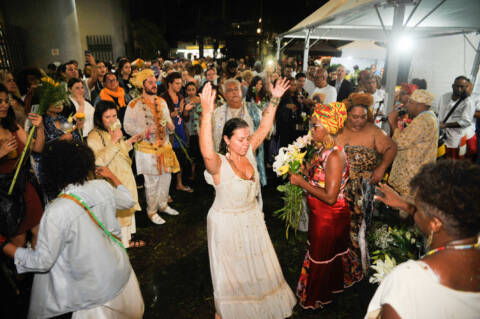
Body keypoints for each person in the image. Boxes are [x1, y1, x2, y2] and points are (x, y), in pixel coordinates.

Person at [0, 140, 144, 319]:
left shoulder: (56, 211)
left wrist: (4, 244)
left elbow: (41, 262)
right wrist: (111, 175)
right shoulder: (102, 186)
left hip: (93, 296)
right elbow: (128, 200)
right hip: (121, 274)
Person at [200, 80, 296, 319]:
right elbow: (205, 152)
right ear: (226, 140)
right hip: (226, 224)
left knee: (256, 266)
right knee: (233, 271)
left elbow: (263, 127)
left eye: (246, 138)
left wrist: (274, 99)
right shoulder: (219, 165)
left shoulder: (249, 151)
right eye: (240, 140)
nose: (246, 143)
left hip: (252, 217)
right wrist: (207, 114)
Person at [366, 160, 480, 319]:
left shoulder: (408, 281)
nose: (416, 213)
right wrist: (406, 206)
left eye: (418, 209)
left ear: (435, 223)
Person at [289, 102, 351, 309]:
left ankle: (317, 297)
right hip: (320, 212)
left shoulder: (334, 156)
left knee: (321, 254)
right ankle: (330, 287)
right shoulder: (322, 150)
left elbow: (331, 197)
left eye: (315, 126)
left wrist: (302, 183)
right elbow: (321, 179)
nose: (311, 130)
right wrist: (306, 172)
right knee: (321, 252)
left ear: (329, 128)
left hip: (329, 215)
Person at [336, 93, 397, 278]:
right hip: (339, 187)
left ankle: (358, 267)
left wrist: (381, 168)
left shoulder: (373, 131)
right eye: (355, 117)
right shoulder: (337, 130)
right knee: (339, 226)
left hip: (363, 188)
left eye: (363, 117)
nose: (359, 121)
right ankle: (338, 262)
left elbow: (391, 147)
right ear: (346, 115)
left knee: (360, 228)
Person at [124, 69, 181, 225]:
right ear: (142, 85)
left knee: (167, 178)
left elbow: (169, 120)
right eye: (149, 82)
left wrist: (171, 126)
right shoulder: (133, 104)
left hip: (165, 147)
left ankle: (163, 205)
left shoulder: (162, 102)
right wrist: (145, 132)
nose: (153, 84)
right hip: (146, 150)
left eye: (154, 81)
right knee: (152, 182)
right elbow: (127, 126)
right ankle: (152, 211)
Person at [87, 101, 144, 248]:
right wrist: (113, 141)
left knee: (126, 209)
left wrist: (129, 141)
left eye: (114, 116)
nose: (112, 120)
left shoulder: (113, 131)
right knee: (118, 214)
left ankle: (127, 240)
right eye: (107, 117)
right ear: (99, 118)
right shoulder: (94, 136)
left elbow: (120, 153)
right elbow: (98, 163)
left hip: (124, 177)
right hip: (110, 181)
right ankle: (120, 244)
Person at [0, 83, 44, 248]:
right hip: (5, 196)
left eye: (6, 100)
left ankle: (39, 271)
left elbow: (37, 147)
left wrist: (39, 128)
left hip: (24, 186)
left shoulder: (13, 126)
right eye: (0, 101)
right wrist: (1, 152)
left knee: (40, 233)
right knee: (18, 241)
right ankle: (20, 274)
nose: (4, 105)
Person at [212, 78, 268, 186]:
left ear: (241, 91)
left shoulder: (253, 109)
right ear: (224, 94)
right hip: (225, 162)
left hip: (248, 160)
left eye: (236, 89)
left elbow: (266, 131)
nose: (234, 93)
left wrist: (266, 116)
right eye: (229, 90)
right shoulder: (217, 113)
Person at [388, 90, 438, 205]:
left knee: (406, 207)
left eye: (410, 102)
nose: (407, 105)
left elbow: (399, 143)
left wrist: (393, 122)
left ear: (420, 105)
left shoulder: (423, 121)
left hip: (412, 174)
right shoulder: (428, 116)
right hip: (417, 171)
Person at [160, 71, 195, 193]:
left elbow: (185, 117)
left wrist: (186, 110)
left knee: (180, 157)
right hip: (169, 134)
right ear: (170, 84)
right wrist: (179, 111)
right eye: (177, 83)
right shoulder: (163, 98)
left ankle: (179, 184)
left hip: (181, 131)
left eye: (181, 83)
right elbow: (162, 117)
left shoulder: (180, 97)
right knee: (170, 158)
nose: (180, 86)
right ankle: (168, 187)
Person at [436, 76, 476, 160]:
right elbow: (439, 112)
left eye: (462, 87)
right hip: (441, 136)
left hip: (454, 139)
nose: (459, 89)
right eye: (457, 86)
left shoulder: (468, 102)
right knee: (440, 159)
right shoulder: (444, 97)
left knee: (452, 161)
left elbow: (466, 122)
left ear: (466, 87)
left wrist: (445, 125)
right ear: (452, 86)